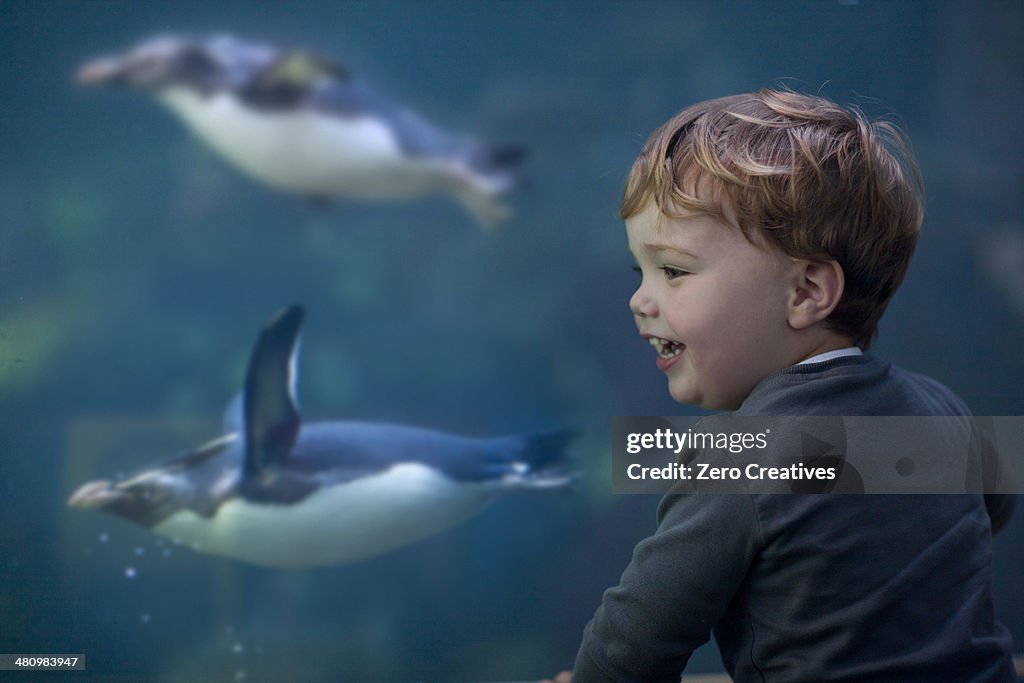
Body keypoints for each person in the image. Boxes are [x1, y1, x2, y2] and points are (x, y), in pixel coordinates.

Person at [560, 89, 1016, 682]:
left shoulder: (740, 458)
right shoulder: (941, 409)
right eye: (640, 271)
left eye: (673, 271)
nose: (639, 300)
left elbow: (633, 641)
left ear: (805, 293)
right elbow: (992, 510)